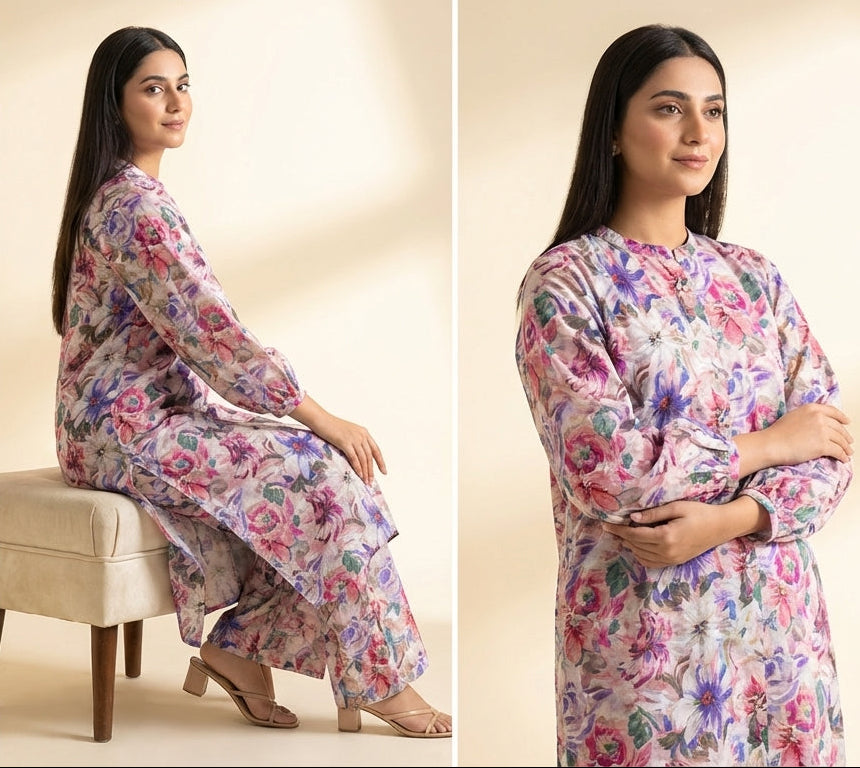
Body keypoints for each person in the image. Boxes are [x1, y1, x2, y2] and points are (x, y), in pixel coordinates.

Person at [51, 26, 451, 739]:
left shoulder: (135, 195)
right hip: (122, 431)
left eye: (184, 84)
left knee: (318, 475)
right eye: (153, 87)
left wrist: (311, 430)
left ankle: (237, 652)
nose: (176, 102)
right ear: (115, 105)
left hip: (155, 418)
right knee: (319, 470)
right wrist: (318, 415)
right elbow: (215, 335)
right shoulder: (133, 207)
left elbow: (207, 339)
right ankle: (382, 680)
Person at [514, 23, 853, 767]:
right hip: (649, 644)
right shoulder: (568, 283)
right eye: (670, 108)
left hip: (781, 644)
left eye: (716, 110)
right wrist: (769, 444)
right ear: (613, 129)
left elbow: (829, 450)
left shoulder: (754, 279)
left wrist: (732, 518)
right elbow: (609, 471)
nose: (699, 131)